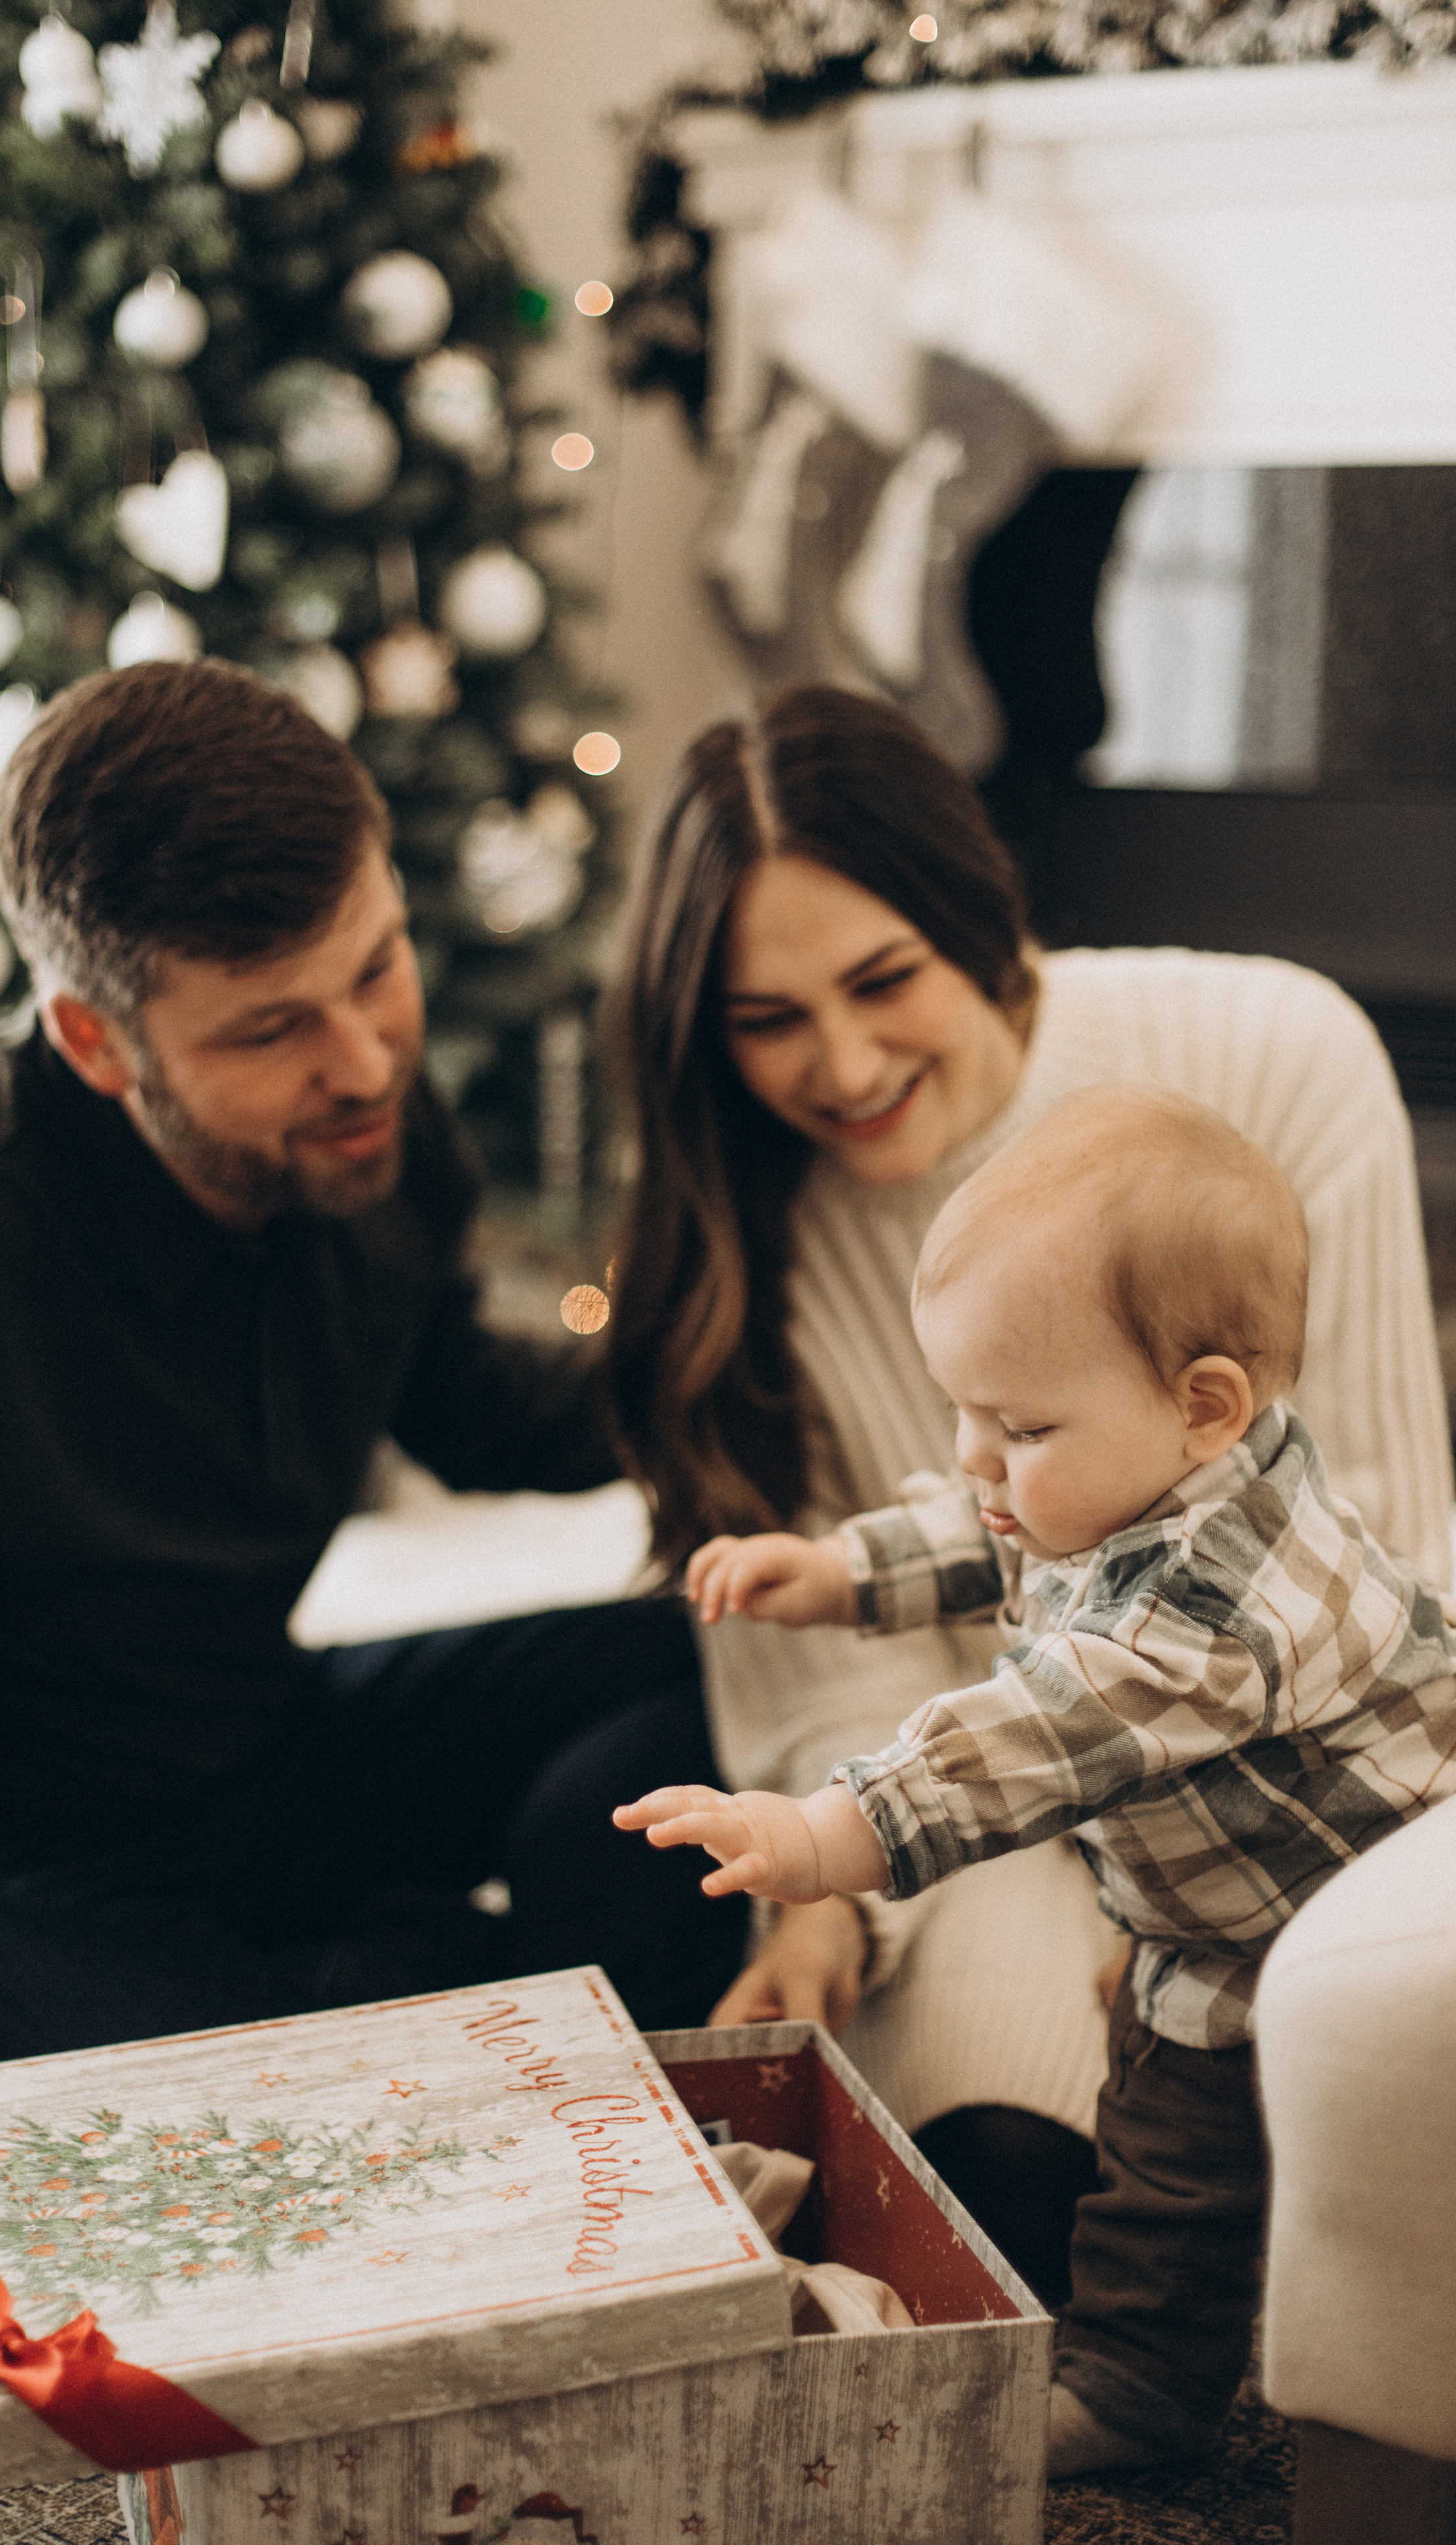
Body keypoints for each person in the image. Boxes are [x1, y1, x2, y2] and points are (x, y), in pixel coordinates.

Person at [0, 660, 743, 2408]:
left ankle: (399, 2010)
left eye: (376, 968)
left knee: (697, 1650)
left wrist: (730, 1392)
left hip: (253, 1749)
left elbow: (453, 1394)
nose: (361, 1057)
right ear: (93, 1038)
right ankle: (485, 2000)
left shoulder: (359, 1117)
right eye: (269, 1028)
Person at [606, 682, 1453, 2305]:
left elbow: (1361, 1552)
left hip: (1276, 1788)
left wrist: (1147, 1884)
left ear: (974, 923)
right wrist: (845, 1883)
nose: (841, 1064)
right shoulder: (734, 1234)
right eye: (764, 1018)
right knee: (998, 2212)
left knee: (1238, 2162)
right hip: (968, 1814)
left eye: (880, 980)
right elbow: (940, 1565)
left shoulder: (1262, 1057)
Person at [618, 1084, 1456, 2477]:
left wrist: (825, 1831)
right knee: (1169, 2108)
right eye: (962, 1410)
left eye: (1012, 1425)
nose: (974, 1459)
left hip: (1304, 1929)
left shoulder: (1206, 1622)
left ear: (1202, 1406)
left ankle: (1132, 2388)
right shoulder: (1149, 1468)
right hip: (1236, 1895)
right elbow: (997, 1532)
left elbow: (1017, 1740)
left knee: (1165, 2169)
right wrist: (837, 1574)